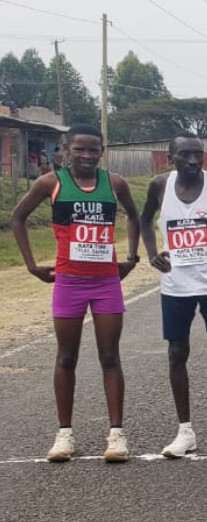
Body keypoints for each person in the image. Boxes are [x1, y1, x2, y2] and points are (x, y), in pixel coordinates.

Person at [10, 124, 140, 462]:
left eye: (93, 150)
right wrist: (30, 264)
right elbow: (18, 218)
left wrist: (131, 257)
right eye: (79, 149)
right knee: (66, 357)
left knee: (110, 357)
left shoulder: (114, 183)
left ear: (102, 152)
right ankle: (64, 435)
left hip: (106, 282)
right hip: (69, 282)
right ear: (67, 149)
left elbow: (133, 215)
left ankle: (116, 435)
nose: (86, 155)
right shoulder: (50, 183)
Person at [140, 132, 207, 458]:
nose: (192, 161)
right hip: (176, 286)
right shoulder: (160, 185)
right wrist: (152, 254)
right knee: (177, 353)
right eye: (185, 155)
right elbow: (144, 220)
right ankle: (184, 432)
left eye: (198, 155)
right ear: (170, 157)